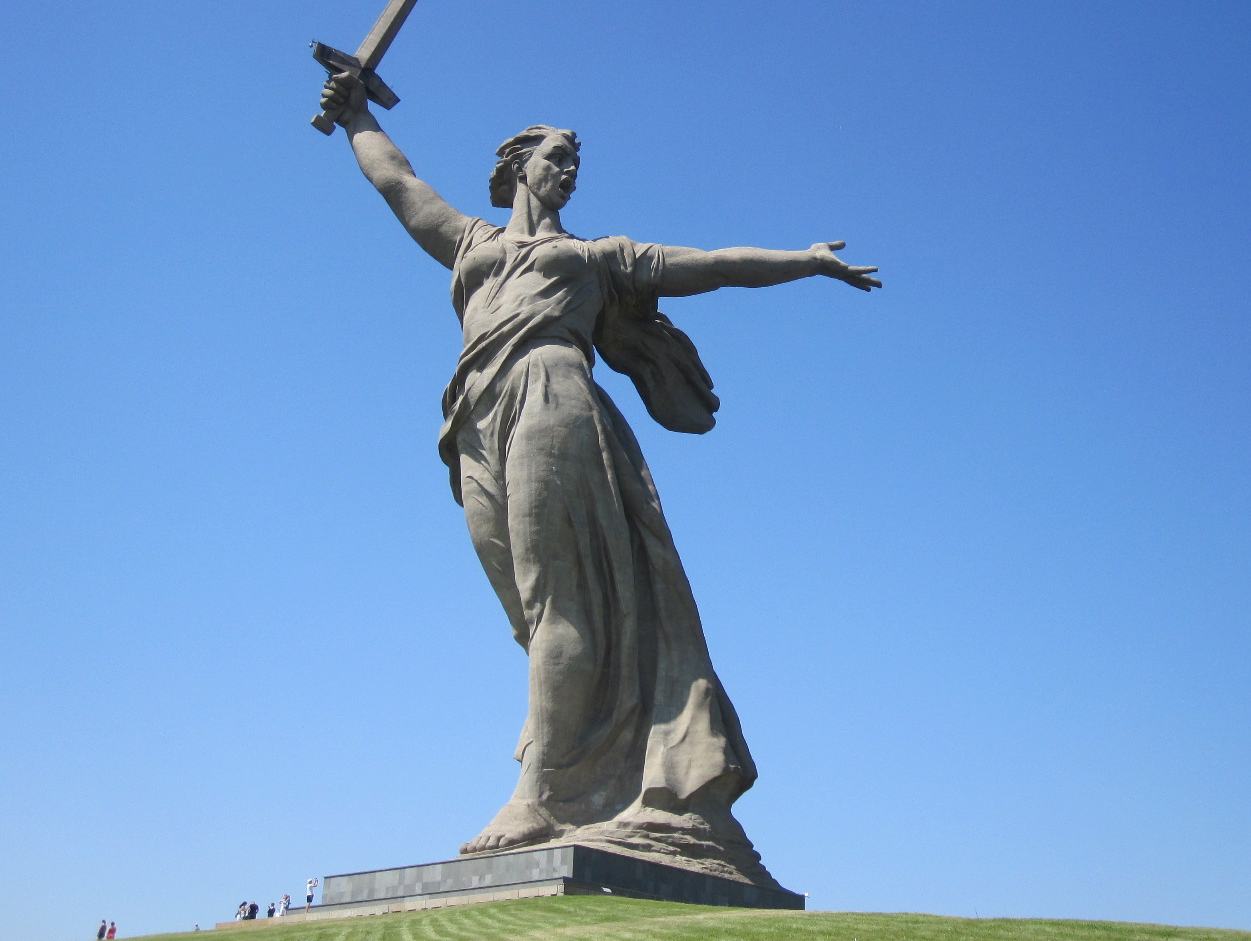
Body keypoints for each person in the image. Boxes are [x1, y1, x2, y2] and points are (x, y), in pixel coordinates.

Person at [318, 75, 879, 883]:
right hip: (472, 417)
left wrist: (806, 261)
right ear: (518, 165)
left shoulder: (596, 258)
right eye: (557, 157)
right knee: (528, 613)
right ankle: (582, 766)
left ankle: (540, 796)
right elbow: (398, 182)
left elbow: (712, 266)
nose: (570, 171)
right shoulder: (471, 243)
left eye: (575, 163)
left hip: (553, 395)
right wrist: (356, 115)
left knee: (560, 598)